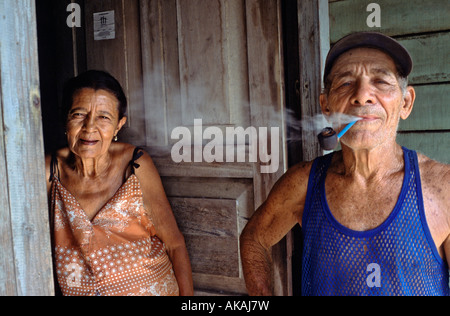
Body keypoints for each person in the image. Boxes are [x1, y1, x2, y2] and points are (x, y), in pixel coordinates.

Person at [240, 32, 450, 296]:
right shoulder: (304, 184)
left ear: (405, 103)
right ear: (326, 106)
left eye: (381, 81)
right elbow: (254, 238)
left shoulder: (443, 188)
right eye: (345, 83)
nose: (362, 96)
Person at [45, 70, 194, 296]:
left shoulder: (134, 165)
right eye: (78, 114)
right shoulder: (50, 171)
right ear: (65, 119)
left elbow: (174, 244)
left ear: (118, 126)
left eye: (104, 117)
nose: (89, 127)